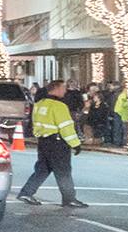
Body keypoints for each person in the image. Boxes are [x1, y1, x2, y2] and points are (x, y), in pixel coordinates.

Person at [17, 77, 86, 208]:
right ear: (57, 89)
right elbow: (66, 127)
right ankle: (69, 199)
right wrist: (75, 144)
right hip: (57, 142)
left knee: (42, 169)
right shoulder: (59, 106)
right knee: (64, 171)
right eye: (63, 88)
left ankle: (26, 193)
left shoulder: (39, 104)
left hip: (43, 142)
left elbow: (35, 124)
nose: (65, 91)